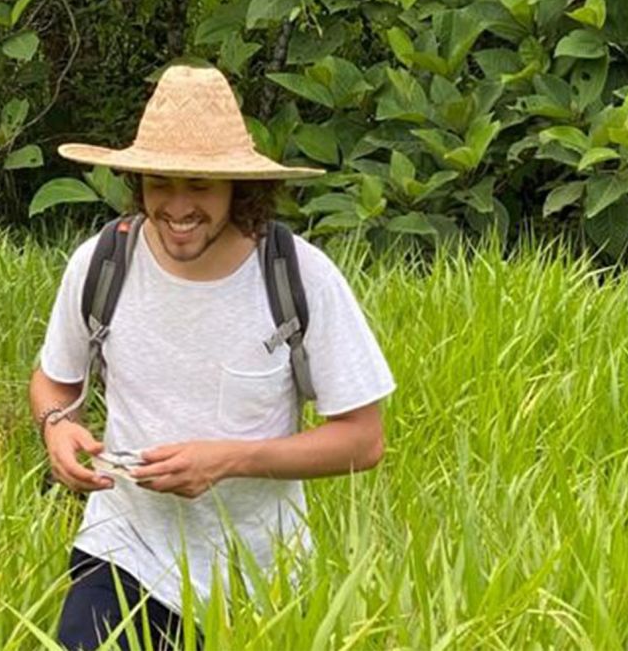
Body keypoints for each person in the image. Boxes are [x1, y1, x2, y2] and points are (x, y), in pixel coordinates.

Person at [29, 65, 395, 650]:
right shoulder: (101, 264)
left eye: (199, 184)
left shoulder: (298, 276)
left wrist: (229, 460)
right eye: (160, 182)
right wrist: (57, 428)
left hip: (259, 577)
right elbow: (53, 381)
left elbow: (363, 439)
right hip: (122, 551)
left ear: (237, 188)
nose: (177, 206)